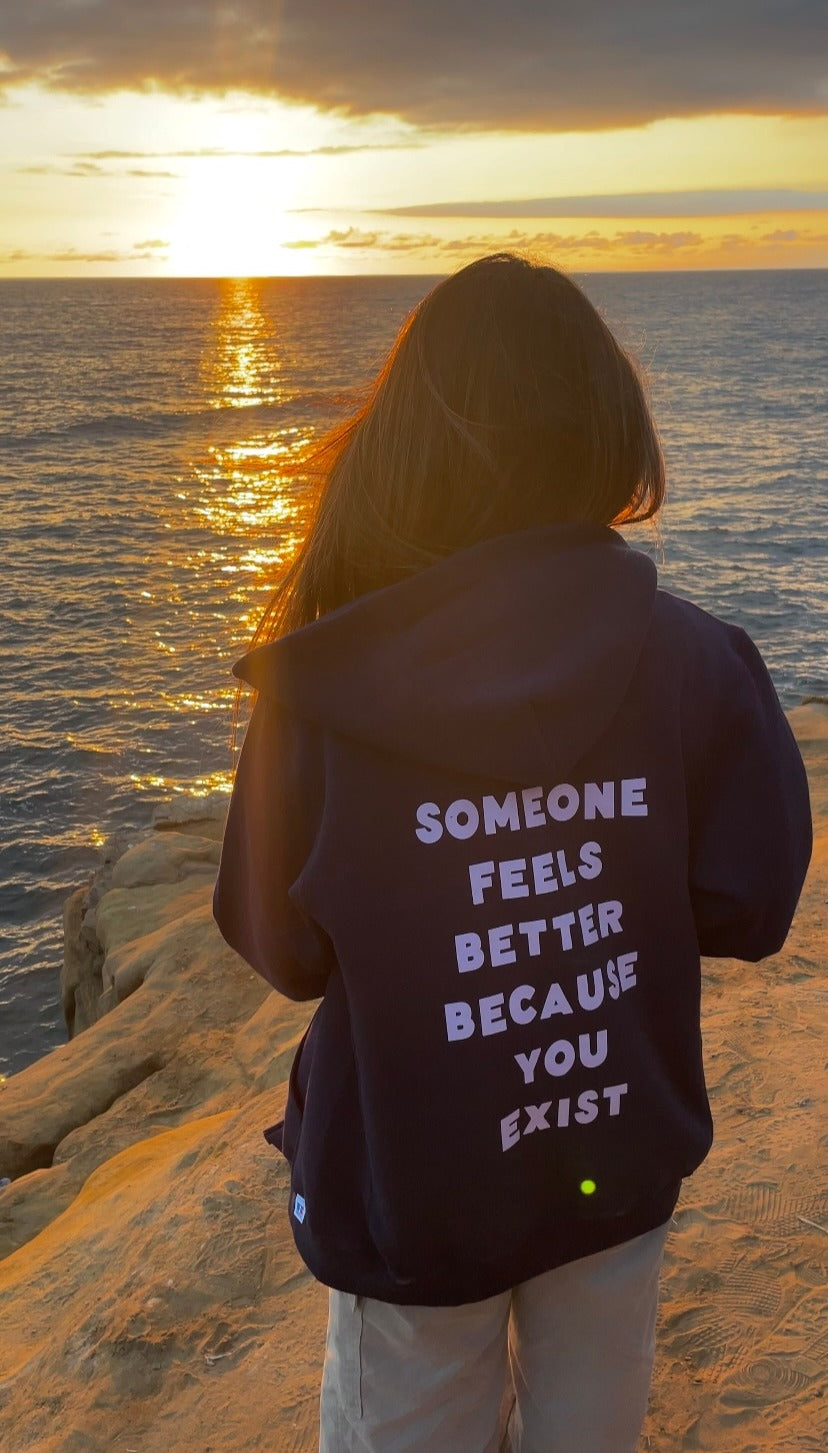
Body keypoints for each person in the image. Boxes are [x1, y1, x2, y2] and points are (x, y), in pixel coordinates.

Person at [212, 253, 812, 1453]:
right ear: (608, 434)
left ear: (408, 453)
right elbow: (749, 904)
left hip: (415, 1190)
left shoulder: (325, 691)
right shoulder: (696, 660)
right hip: (614, 1154)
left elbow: (284, 946)